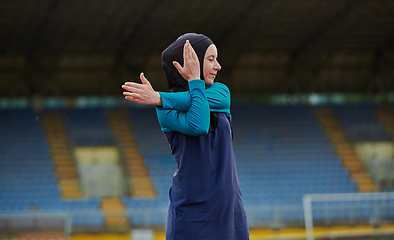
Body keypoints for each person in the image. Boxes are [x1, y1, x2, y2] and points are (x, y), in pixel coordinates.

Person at [122, 33, 249, 240]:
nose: (218, 66)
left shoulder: (221, 92)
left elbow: (193, 102)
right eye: (210, 59)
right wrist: (193, 81)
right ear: (190, 63)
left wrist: (160, 97)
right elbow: (199, 125)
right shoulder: (164, 110)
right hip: (192, 213)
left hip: (230, 208)